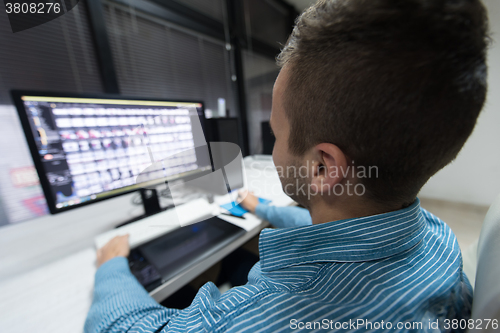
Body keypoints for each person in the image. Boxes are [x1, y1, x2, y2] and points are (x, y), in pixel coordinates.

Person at [85, 0, 489, 331]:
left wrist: (113, 267)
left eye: (276, 135)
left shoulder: (272, 317)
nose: (274, 149)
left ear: (322, 167)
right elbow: (349, 233)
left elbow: (126, 327)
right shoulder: (439, 239)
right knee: (239, 262)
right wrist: (264, 208)